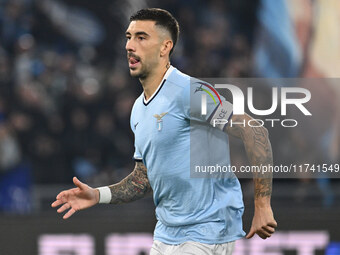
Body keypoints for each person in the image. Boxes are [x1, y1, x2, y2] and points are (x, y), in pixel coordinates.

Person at [52, 8, 277, 255]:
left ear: (165, 47)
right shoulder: (138, 110)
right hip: (166, 234)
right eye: (128, 37)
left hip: (207, 231)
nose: (129, 45)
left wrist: (262, 204)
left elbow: (254, 131)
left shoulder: (190, 91)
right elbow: (143, 179)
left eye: (141, 37)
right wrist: (98, 194)